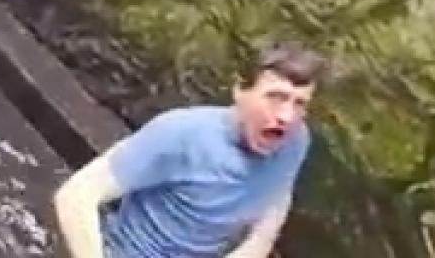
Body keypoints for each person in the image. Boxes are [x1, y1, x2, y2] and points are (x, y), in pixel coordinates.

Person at [52, 40, 326, 257]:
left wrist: (255, 246)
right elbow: (75, 195)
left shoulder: (295, 141)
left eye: (299, 103)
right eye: (275, 97)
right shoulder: (181, 134)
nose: (287, 116)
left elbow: (277, 199)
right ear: (240, 91)